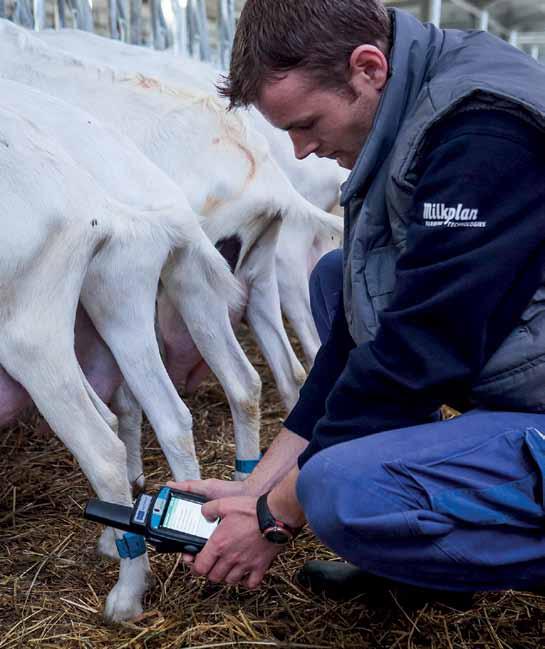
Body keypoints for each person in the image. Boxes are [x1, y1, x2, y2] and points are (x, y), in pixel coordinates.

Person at [169, 0, 545, 600]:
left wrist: (276, 515)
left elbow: (422, 348)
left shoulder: (481, 129)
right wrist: (254, 490)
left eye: (306, 124)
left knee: (338, 488)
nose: (299, 151)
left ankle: (442, 550)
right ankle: (422, 564)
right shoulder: (403, 109)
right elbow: (355, 336)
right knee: (338, 275)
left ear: (368, 68)